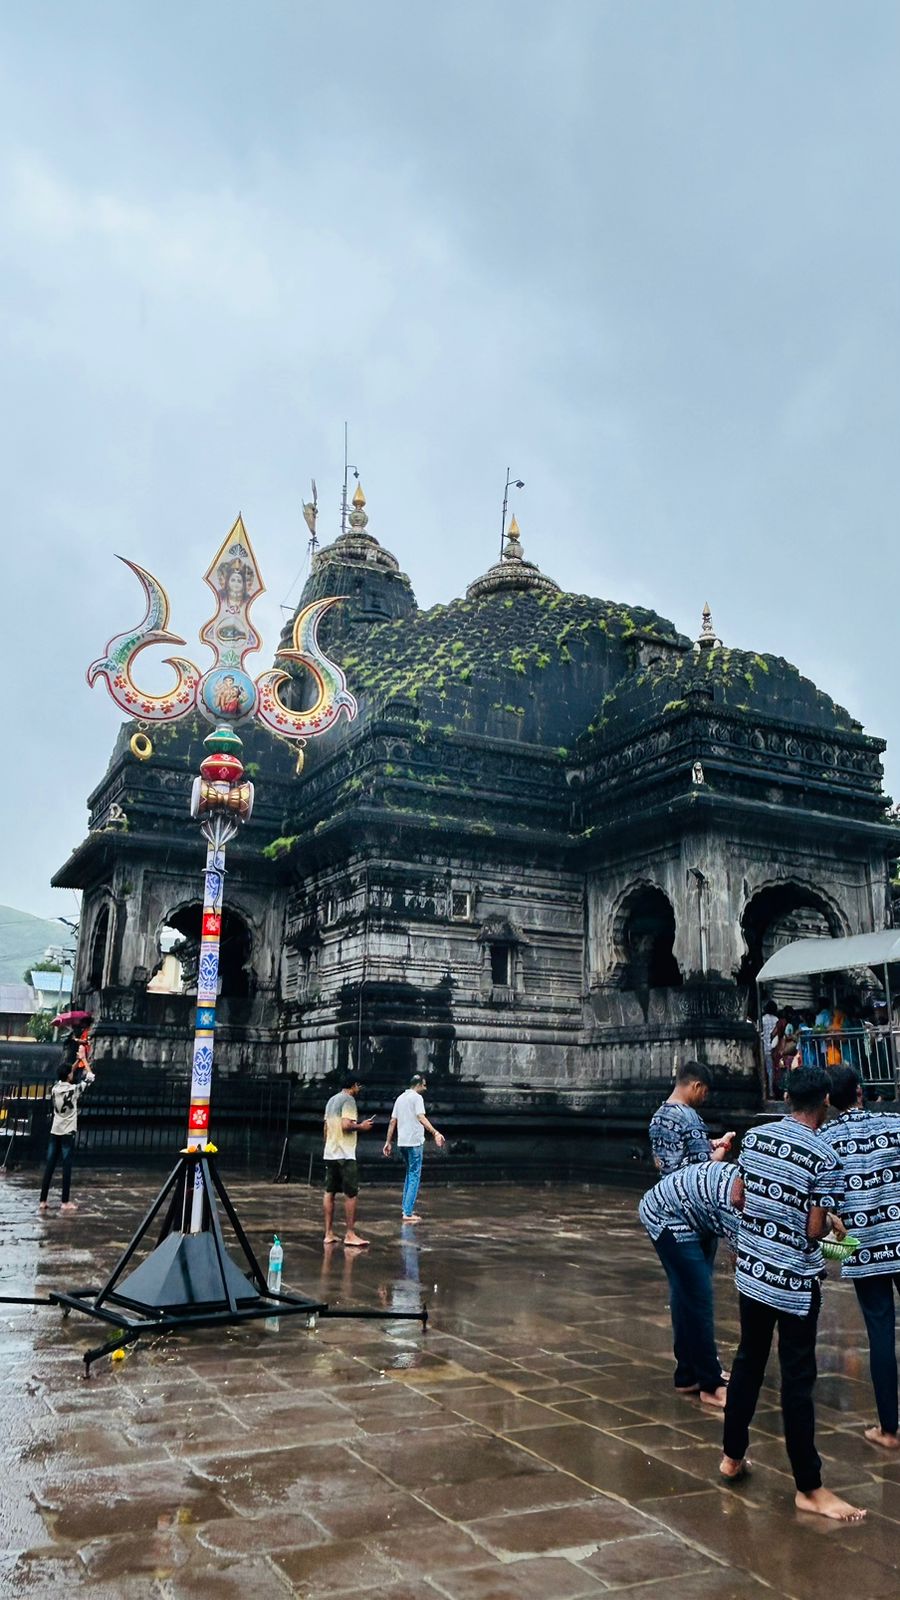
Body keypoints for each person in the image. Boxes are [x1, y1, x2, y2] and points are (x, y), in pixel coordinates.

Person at [721, 1064, 866, 1522]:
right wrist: (832, 1225)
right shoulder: (824, 1157)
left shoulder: (755, 1138)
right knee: (797, 1379)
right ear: (825, 1101)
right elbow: (813, 1228)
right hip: (792, 1281)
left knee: (748, 1360)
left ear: (786, 1099)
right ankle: (809, 1486)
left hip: (753, 1270)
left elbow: (739, 1197)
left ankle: (731, 1456)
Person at [819, 1065, 900, 1451]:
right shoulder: (892, 1122)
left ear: (829, 1101)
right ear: (861, 1092)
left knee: (880, 1333)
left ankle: (889, 1429)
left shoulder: (826, 1139)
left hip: (865, 1249)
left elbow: (827, 1210)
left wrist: (836, 1251)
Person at [639, 1159, 743, 1407]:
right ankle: (711, 1384)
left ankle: (687, 1374)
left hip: (699, 1214)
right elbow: (742, 1262)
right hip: (667, 1215)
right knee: (698, 1297)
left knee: (687, 1291)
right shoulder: (739, 1204)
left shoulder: (757, 1194)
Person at [649, 1061, 735, 1175]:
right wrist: (724, 1143)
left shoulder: (658, 1115)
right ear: (697, 1086)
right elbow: (706, 1166)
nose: (704, 1099)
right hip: (686, 1190)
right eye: (705, 1092)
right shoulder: (689, 1118)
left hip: (665, 1188)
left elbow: (659, 1161)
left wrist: (709, 1143)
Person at [382, 1073, 446, 1222]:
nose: (425, 1088)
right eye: (424, 1085)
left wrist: (388, 1141)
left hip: (402, 1142)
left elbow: (393, 1121)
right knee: (414, 1175)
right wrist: (435, 1132)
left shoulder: (400, 1098)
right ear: (417, 1085)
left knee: (410, 1174)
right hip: (415, 1142)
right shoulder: (417, 1098)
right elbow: (421, 1117)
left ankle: (406, 1208)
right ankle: (408, 1213)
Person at [322, 1074, 375, 1248]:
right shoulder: (349, 1101)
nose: (359, 1090)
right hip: (345, 1153)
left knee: (330, 1191)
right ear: (354, 1086)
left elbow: (325, 1128)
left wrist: (329, 1145)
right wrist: (362, 1126)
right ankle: (350, 1234)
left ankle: (328, 1233)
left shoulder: (331, 1101)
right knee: (351, 1193)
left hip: (330, 1152)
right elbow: (346, 1125)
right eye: (358, 1086)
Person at [39, 1058, 95, 1212]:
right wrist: (84, 1060)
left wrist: (75, 1063)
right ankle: (65, 1202)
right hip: (67, 1131)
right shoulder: (74, 1090)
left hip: (55, 1130)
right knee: (66, 1166)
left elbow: (65, 1074)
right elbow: (91, 1077)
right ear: (69, 1076)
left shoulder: (55, 1089)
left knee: (49, 1166)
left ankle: (43, 1200)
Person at [760, 1000, 779, 1097]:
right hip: (773, 1048)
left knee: (763, 1070)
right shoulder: (776, 1020)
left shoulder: (762, 1019)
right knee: (771, 1070)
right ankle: (771, 1091)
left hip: (763, 1047)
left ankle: (764, 1091)